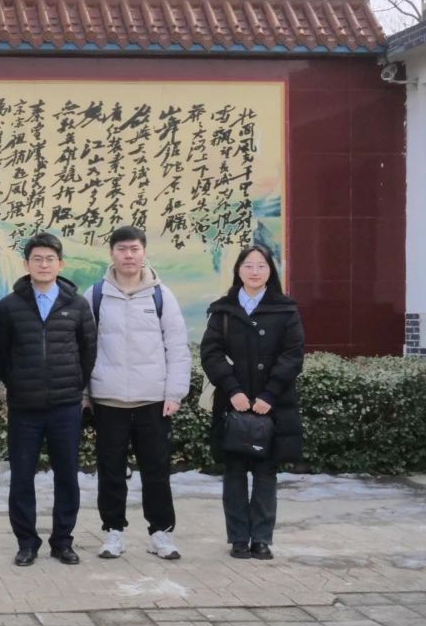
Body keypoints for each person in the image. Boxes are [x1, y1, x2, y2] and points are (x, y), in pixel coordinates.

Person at [84, 226, 190, 562]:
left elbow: (177, 347)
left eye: (134, 249)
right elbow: (82, 347)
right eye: (122, 249)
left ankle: (160, 533)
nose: (128, 255)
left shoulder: (161, 295)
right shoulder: (95, 295)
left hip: (153, 400)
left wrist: (175, 392)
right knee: (110, 471)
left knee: (156, 470)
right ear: (111, 253)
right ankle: (113, 531)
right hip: (108, 399)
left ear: (144, 252)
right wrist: (85, 394)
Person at [0, 232, 96, 567]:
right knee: (22, 477)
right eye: (36, 259)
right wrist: (16, 384)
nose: (43, 264)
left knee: (66, 475)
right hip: (24, 408)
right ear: (27, 264)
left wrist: (75, 386)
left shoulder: (77, 305)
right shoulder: (9, 306)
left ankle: (63, 541)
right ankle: (26, 543)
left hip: (65, 407)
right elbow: (0, 354)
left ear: (60, 264)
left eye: (50, 259)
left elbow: (88, 351)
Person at [200, 243, 305, 561]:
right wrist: (232, 390)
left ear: (270, 271)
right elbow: (211, 353)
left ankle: (261, 538)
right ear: (238, 270)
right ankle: (238, 539)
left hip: (272, 405)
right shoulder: (223, 310)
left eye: (261, 266)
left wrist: (269, 394)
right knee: (234, 472)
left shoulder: (286, 310)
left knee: (265, 472)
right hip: (233, 404)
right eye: (248, 266)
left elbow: (292, 355)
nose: (254, 272)